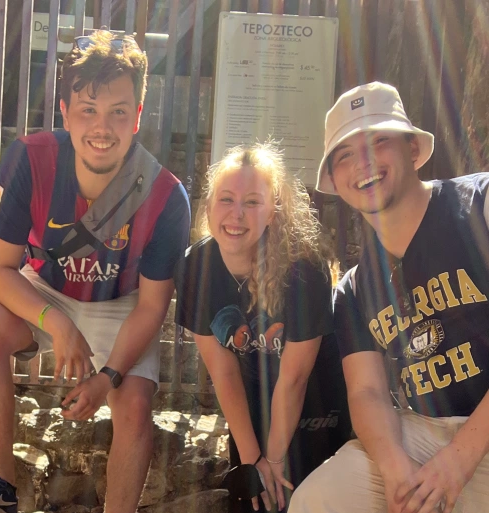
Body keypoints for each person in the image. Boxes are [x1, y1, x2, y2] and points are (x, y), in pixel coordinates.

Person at [0, 30, 190, 513]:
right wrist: (57, 324)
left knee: (135, 403)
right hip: (49, 286)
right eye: (88, 109)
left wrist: (107, 377)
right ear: (64, 110)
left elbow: (153, 306)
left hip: (122, 301)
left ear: (138, 116)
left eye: (119, 111)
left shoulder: (165, 195)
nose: (103, 127)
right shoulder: (28, 160)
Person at [290, 81, 489, 513]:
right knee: (317, 500)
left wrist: (458, 461)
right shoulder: (355, 289)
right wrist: (395, 466)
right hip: (422, 429)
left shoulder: (480, 207)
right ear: (336, 181)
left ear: (413, 151)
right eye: (344, 154)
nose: (362, 163)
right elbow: (367, 393)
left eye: (378, 141)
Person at [175, 142, 351, 512]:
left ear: (273, 212)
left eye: (253, 202)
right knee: (254, 497)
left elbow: (296, 378)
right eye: (226, 199)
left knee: (303, 497)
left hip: (319, 395)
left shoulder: (304, 269)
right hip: (254, 394)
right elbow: (222, 371)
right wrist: (254, 460)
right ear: (208, 207)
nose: (236, 215)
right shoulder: (196, 266)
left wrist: (273, 459)